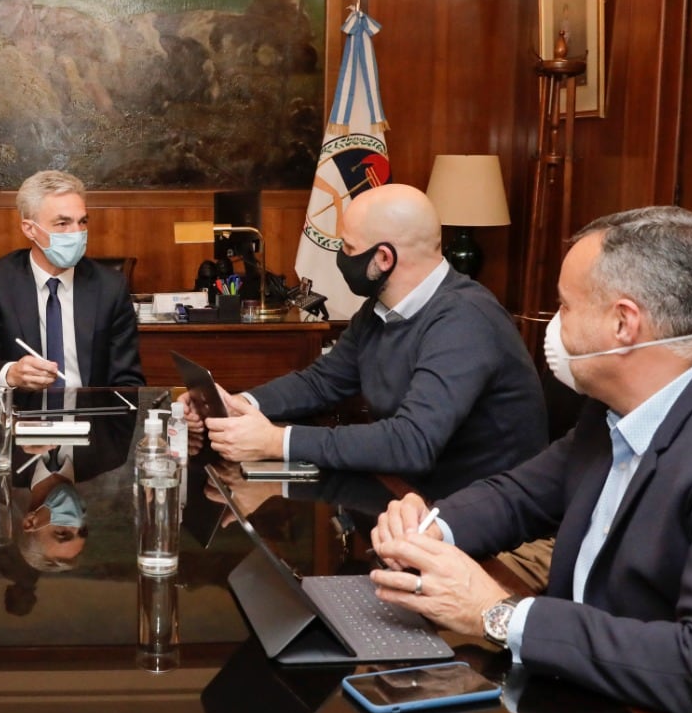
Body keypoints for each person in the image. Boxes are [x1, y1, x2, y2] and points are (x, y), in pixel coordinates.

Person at [370, 206, 692, 713]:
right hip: (572, 696)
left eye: (564, 305)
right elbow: (519, 495)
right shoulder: (614, 405)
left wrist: (502, 616)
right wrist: (427, 531)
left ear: (623, 323)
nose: (552, 324)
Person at [187, 183, 546, 498]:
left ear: (384, 258)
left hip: (479, 518)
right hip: (404, 497)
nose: (341, 257)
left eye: (348, 247)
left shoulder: (466, 321)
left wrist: (276, 441)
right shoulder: (379, 309)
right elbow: (321, 382)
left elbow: (411, 442)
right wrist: (238, 404)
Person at [0, 170, 144, 391]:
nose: (77, 233)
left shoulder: (110, 286)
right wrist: (10, 374)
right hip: (22, 417)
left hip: (90, 417)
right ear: (30, 229)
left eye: (82, 222)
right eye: (63, 223)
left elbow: (129, 382)